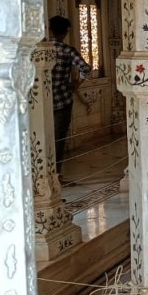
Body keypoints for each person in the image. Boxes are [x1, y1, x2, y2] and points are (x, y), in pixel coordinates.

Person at [49, 15, 92, 176]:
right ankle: (56, 174)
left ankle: (42, 175)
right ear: (66, 32)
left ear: (49, 29)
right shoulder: (67, 50)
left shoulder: (39, 50)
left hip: (42, 103)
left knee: (41, 137)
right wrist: (76, 84)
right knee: (58, 139)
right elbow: (85, 68)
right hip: (63, 101)